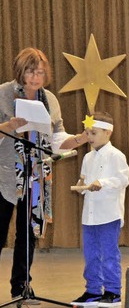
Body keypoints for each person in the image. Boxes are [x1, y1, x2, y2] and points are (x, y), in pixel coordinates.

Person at [0, 48, 88, 302]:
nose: (35, 77)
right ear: (20, 70)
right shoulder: (4, 93)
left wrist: (77, 139)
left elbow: (56, 135)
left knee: (27, 234)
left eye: (40, 72)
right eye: (30, 71)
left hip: (35, 177)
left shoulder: (48, 99)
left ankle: (21, 287)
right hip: (5, 176)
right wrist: (8, 127)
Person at [70, 112, 129, 306]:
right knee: (91, 254)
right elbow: (84, 179)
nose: (89, 137)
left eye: (93, 133)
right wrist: (82, 184)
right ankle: (93, 290)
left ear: (107, 132)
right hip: (90, 215)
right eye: (87, 133)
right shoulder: (88, 157)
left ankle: (113, 291)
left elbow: (122, 180)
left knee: (109, 254)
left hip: (108, 214)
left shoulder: (116, 155)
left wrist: (101, 182)